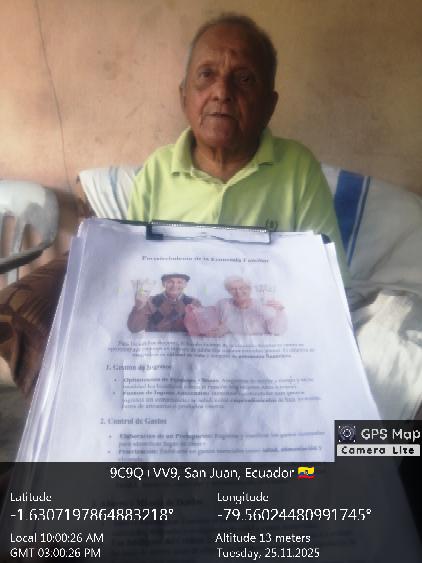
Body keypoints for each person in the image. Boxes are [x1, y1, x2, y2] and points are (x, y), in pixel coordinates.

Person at [128, 13, 349, 283]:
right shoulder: (156, 172)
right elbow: (132, 275)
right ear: (183, 96)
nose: (222, 92)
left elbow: (329, 282)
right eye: (206, 74)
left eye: (244, 79)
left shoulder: (298, 170)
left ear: (269, 105)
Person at [210, 276, 286, 336]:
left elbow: (277, 331)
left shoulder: (262, 305)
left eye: (242, 288)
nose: (238, 292)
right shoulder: (223, 304)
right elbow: (212, 326)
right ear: (228, 291)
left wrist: (279, 311)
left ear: (249, 289)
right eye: (233, 289)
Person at [127, 274, 200, 333]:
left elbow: (201, 330)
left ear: (185, 284)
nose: (175, 285)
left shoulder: (193, 303)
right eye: (170, 282)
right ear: (163, 284)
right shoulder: (150, 301)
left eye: (179, 282)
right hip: (155, 345)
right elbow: (134, 329)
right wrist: (138, 307)